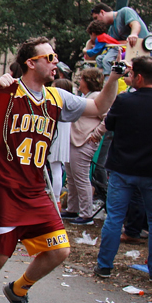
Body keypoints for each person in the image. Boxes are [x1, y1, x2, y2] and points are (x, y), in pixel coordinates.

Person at [0, 37, 122, 303]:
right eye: (50, 57)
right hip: (3, 186)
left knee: (59, 250)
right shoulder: (7, 90)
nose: (55, 62)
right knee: (0, 253)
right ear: (31, 63)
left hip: (34, 187)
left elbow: (99, 106)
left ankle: (18, 290)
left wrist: (116, 77)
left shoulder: (57, 97)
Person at [94, 56, 152, 282]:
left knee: (114, 218)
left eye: (131, 74)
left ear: (139, 77)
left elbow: (109, 125)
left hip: (123, 167)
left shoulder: (124, 101)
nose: (129, 77)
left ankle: (104, 265)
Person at [61, 68, 105, 225]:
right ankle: (73, 209)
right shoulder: (84, 96)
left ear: (88, 81)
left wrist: (97, 133)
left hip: (84, 141)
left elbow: (107, 117)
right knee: (72, 176)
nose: (79, 82)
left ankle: (86, 214)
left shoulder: (97, 97)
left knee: (81, 177)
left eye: (82, 79)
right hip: (75, 140)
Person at [47, 78, 73, 209]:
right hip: (61, 138)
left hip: (56, 138)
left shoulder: (58, 104)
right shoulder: (68, 105)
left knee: (55, 169)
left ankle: (56, 198)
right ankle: (55, 198)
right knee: (56, 169)